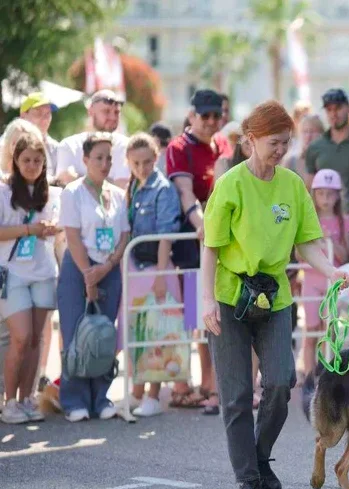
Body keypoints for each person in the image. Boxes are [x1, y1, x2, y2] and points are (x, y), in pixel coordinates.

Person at [201, 100, 349, 489]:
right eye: (274, 142)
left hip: (274, 296)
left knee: (282, 382)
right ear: (250, 140)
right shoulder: (230, 184)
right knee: (235, 395)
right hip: (230, 297)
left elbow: (307, 243)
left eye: (286, 143)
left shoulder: (291, 185)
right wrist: (204, 302)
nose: (280, 150)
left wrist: (332, 269)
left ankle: (260, 456)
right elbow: (210, 248)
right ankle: (248, 480)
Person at [165, 88, 231, 415]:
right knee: (193, 313)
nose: (210, 121)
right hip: (189, 242)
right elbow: (184, 191)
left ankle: (211, 383)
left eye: (215, 115)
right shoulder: (178, 147)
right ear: (192, 115)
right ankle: (192, 383)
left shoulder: (224, 145)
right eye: (204, 115)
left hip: (217, 240)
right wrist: (203, 225)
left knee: (214, 313)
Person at [57, 133, 130, 422]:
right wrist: (89, 275)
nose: (105, 163)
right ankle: (73, 399)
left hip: (109, 271)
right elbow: (72, 235)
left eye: (109, 158)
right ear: (85, 160)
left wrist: (108, 265)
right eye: (98, 157)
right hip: (78, 270)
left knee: (102, 334)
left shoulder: (117, 194)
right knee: (76, 334)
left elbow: (125, 235)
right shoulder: (72, 192)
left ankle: (101, 397)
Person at [0, 133, 61, 423]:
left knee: (36, 339)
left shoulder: (50, 194)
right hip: (12, 274)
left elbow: (57, 227)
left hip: (43, 272)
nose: (32, 165)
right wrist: (29, 230)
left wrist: (50, 229)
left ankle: (26, 399)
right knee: (21, 337)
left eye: (38, 161)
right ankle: (9, 401)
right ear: (16, 160)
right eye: (26, 160)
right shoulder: (3, 192)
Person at [122, 133, 183, 418]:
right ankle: (136, 392)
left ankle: (154, 394)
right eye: (136, 163)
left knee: (158, 331)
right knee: (137, 329)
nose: (142, 167)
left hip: (157, 267)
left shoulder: (164, 188)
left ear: (156, 158)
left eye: (147, 162)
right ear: (129, 162)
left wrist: (161, 274)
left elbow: (165, 234)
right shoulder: (134, 185)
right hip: (136, 266)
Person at [301, 169, 349, 376]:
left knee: (330, 329)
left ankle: (327, 373)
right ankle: (308, 374)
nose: (325, 199)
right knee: (312, 329)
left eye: (330, 194)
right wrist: (316, 242)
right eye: (321, 193)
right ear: (314, 194)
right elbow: (299, 254)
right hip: (311, 280)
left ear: (338, 195)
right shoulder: (308, 220)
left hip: (332, 282)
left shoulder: (343, 220)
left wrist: (328, 241)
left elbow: (345, 254)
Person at [305, 88, 349, 229]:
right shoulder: (316, 147)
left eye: (338, 108)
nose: (333, 114)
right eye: (329, 109)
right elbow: (309, 189)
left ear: (348, 108)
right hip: (325, 224)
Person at [56, 90, 130, 188]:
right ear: (90, 111)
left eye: (116, 112)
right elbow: (66, 180)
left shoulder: (126, 146)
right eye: (106, 111)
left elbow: (123, 186)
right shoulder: (70, 145)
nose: (113, 117)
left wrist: (83, 180)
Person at [19, 93, 60, 181]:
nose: (44, 119)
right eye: (38, 113)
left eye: (48, 114)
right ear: (23, 116)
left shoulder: (57, 147)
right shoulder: (7, 146)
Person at [285, 114, 324, 182]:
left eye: (312, 132)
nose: (308, 136)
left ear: (321, 134)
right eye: (305, 132)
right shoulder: (291, 161)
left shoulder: (326, 160)